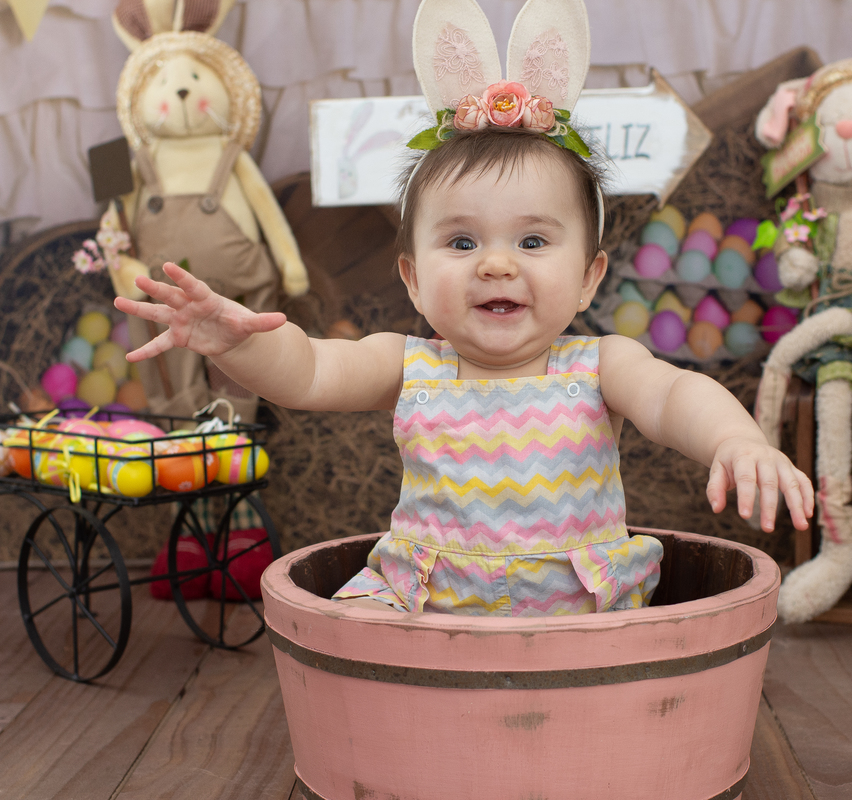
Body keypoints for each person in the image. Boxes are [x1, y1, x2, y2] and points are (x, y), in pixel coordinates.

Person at [118, 118, 813, 617]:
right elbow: (307, 372)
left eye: (533, 239)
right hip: (424, 605)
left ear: (588, 278)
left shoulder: (599, 365)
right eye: (462, 240)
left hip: (574, 614)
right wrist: (236, 341)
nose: (496, 262)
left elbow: (673, 394)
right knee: (347, 638)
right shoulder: (408, 362)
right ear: (415, 281)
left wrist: (736, 439)